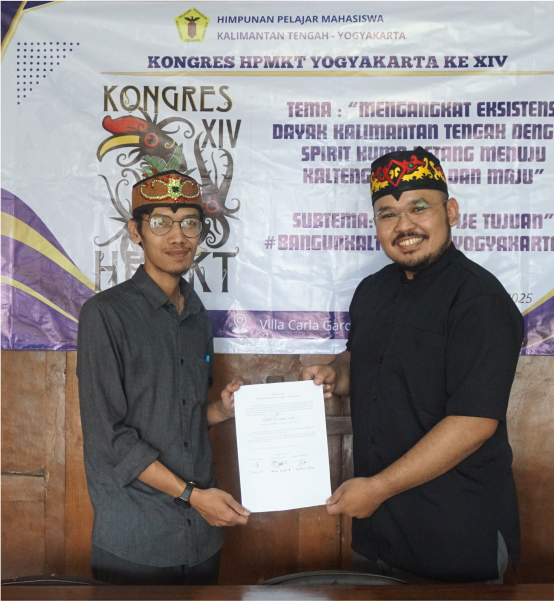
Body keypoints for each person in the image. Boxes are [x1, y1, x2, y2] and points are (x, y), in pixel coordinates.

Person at [301, 147, 523, 583]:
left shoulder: (479, 300)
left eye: (419, 208)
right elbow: (363, 360)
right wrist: (335, 373)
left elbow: (474, 422)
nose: (404, 226)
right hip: (379, 529)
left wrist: (378, 488)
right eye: (388, 213)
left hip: (454, 531)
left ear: (451, 211)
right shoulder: (372, 290)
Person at [77, 167, 250, 585]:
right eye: (161, 223)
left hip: (202, 536)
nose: (178, 237)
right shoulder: (105, 315)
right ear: (135, 231)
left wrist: (221, 410)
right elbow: (110, 438)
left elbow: (183, 418)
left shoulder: (197, 316)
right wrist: (193, 496)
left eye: (189, 223)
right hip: (137, 539)